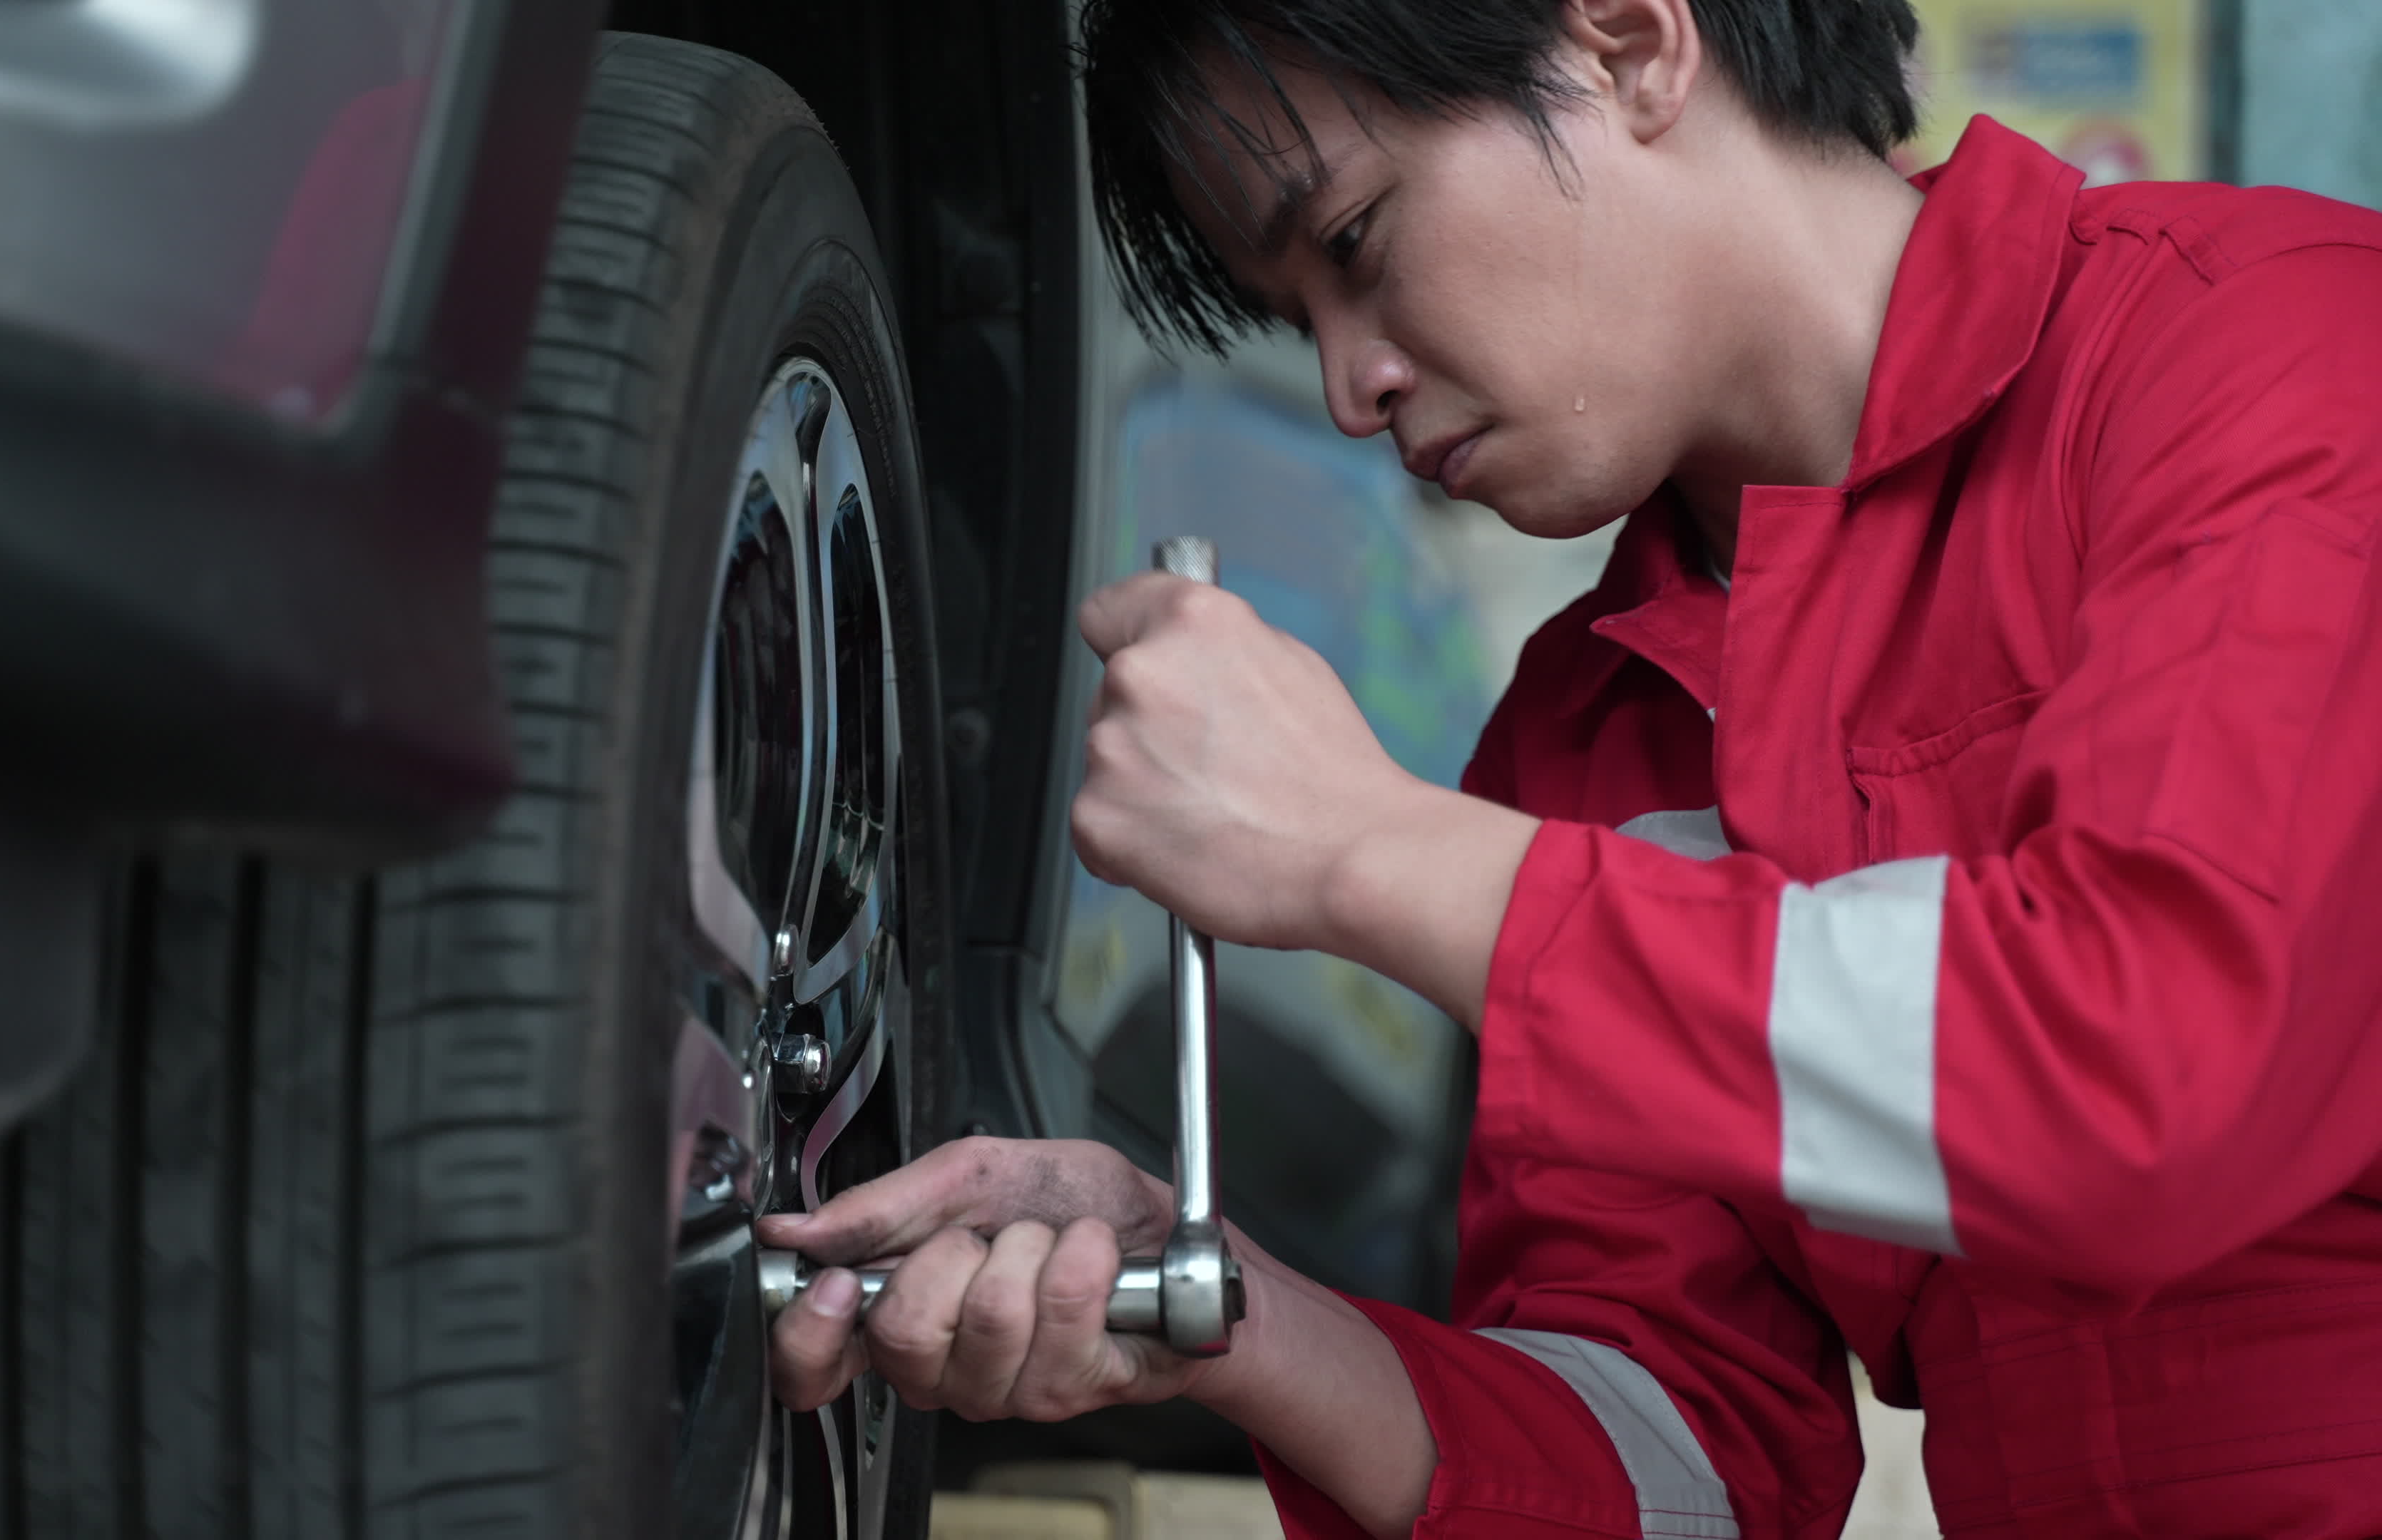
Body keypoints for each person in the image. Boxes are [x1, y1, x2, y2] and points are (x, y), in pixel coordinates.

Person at [761, 0, 2382, 1533]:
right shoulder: (1588, 740)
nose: (1348, 388)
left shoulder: (2272, 352)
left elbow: (2139, 1080)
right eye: (1299, 319)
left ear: (1629, 43)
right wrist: (1221, 1310)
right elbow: (1693, 1475)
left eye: (1354, 243)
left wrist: (1371, 853)